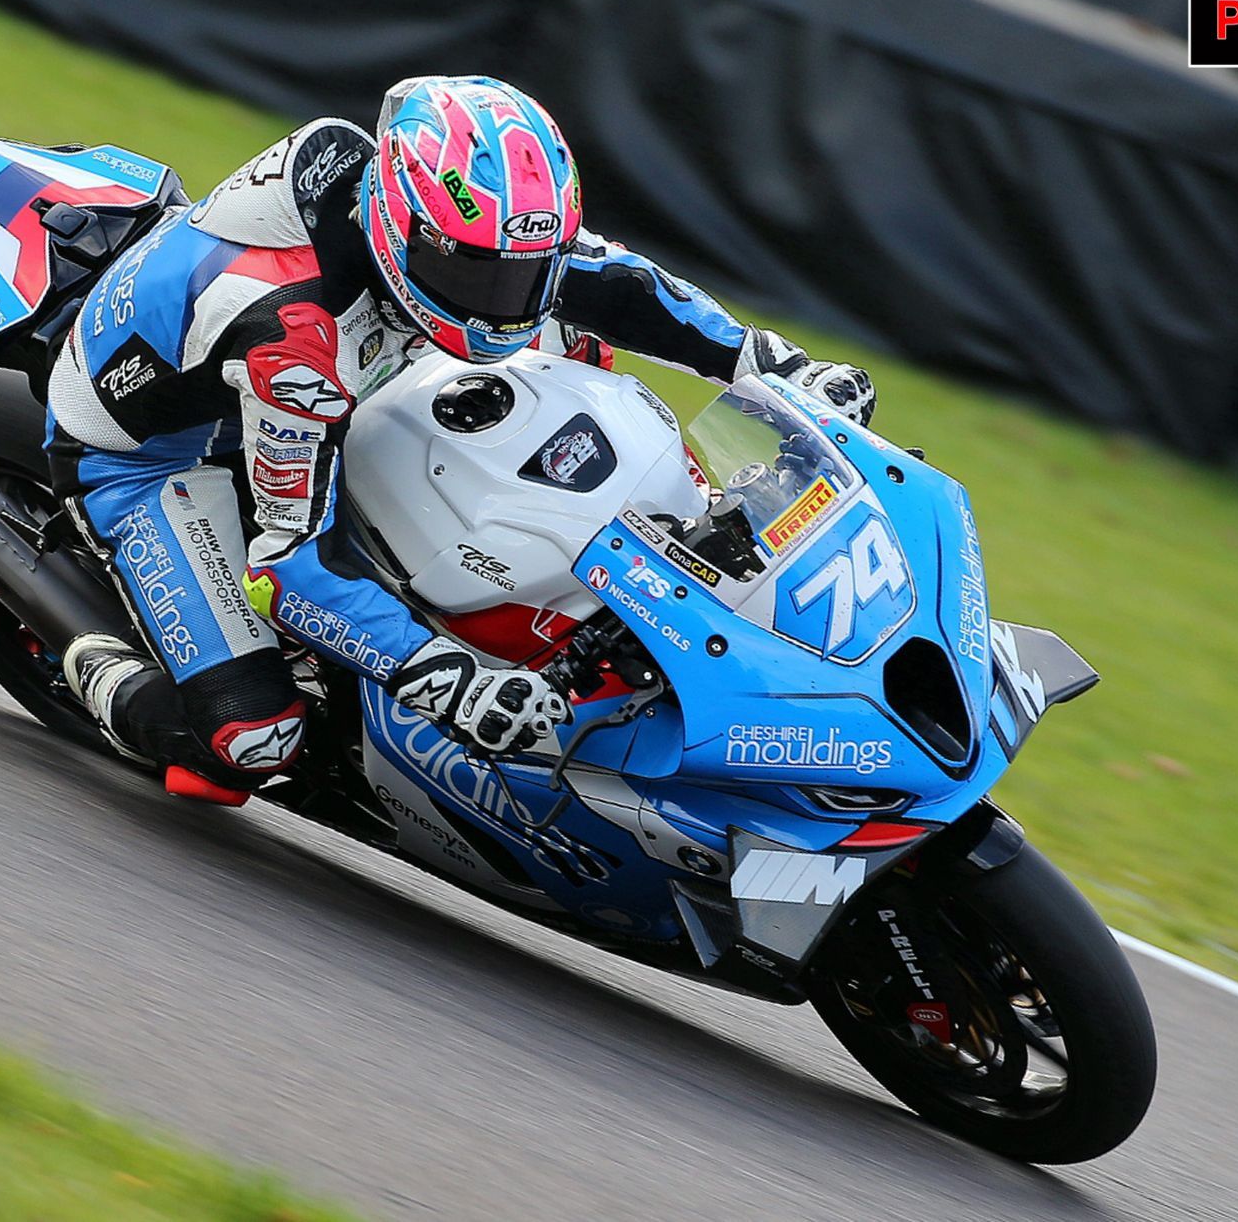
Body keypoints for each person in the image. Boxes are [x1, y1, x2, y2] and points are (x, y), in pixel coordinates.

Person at [44, 75, 874, 785]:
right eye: (471, 271)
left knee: (581, 370)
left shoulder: (478, 225)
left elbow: (623, 287)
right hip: (157, 452)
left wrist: (782, 370)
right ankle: (99, 665)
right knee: (254, 738)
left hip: (366, 357)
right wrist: (453, 681)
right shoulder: (296, 338)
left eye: (521, 272)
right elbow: (291, 559)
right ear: (398, 222)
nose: (501, 299)